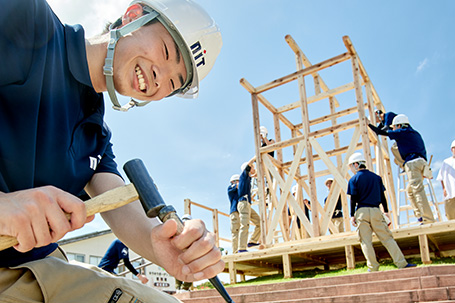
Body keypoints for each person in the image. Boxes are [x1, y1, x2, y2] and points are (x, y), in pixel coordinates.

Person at [0, 1, 223, 302]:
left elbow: (116, 203)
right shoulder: (27, 19)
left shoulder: (96, 134)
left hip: (33, 266)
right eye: (167, 52)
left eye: (173, 83)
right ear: (133, 16)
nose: (160, 79)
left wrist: (161, 246)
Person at [347, 153, 416, 272]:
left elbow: (353, 198)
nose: (352, 170)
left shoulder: (353, 179)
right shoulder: (376, 178)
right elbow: (383, 196)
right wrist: (386, 211)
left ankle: (373, 268)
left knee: (365, 241)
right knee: (387, 239)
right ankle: (401, 263)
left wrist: (352, 215)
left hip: (362, 212)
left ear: (356, 164)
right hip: (376, 211)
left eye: (351, 167)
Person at [369, 114, 435, 224]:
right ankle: (419, 216)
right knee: (410, 190)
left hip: (412, 163)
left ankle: (428, 219)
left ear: (399, 125)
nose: (393, 129)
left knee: (418, 191)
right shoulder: (414, 133)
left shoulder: (402, 131)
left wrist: (369, 125)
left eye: (394, 127)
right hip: (421, 162)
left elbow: (382, 132)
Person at [237, 158, 261, 252]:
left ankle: (252, 241)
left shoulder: (248, 179)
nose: (254, 169)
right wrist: (256, 157)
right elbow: (249, 165)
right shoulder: (243, 175)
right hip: (243, 204)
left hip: (247, 204)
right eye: (253, 167)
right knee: (245, 225)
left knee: (259, 222)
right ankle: (241, 248)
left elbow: (255, 174)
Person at [174, 214, 194, 293]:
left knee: (178, 269)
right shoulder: (191, 227)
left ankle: (178, 287)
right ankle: (185, 288)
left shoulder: (177, 226)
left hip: (178, 252)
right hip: (188, 253)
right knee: (191, 269)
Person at [436, 140, 455, 220]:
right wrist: (444, 188)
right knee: (451, 217)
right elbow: (441, 177)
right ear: (451, 149)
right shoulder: (446, 162)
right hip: (450, 193)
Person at [227, 174, 241, 253]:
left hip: (240, 212)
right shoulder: (230, 188)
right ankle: (235, 251)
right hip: (234, 211)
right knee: (235, 232)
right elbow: (237, 186)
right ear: (233, 181)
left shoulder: (238, 190)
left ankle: (241, 249)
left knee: (241, 231)